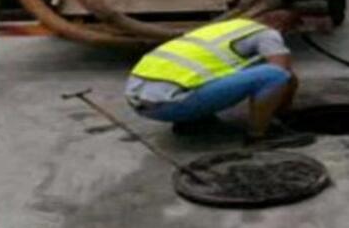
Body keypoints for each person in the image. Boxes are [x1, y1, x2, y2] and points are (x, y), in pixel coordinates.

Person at [125, 12, 313, 147]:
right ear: (283, 27)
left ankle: (193, 122)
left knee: (223, 72)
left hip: (139, 100)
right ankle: (259, 137)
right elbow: (281, 70)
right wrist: (283, 109)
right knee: (274, 75)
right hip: (172, 105)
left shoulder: (227, 28)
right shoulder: (267, 33)